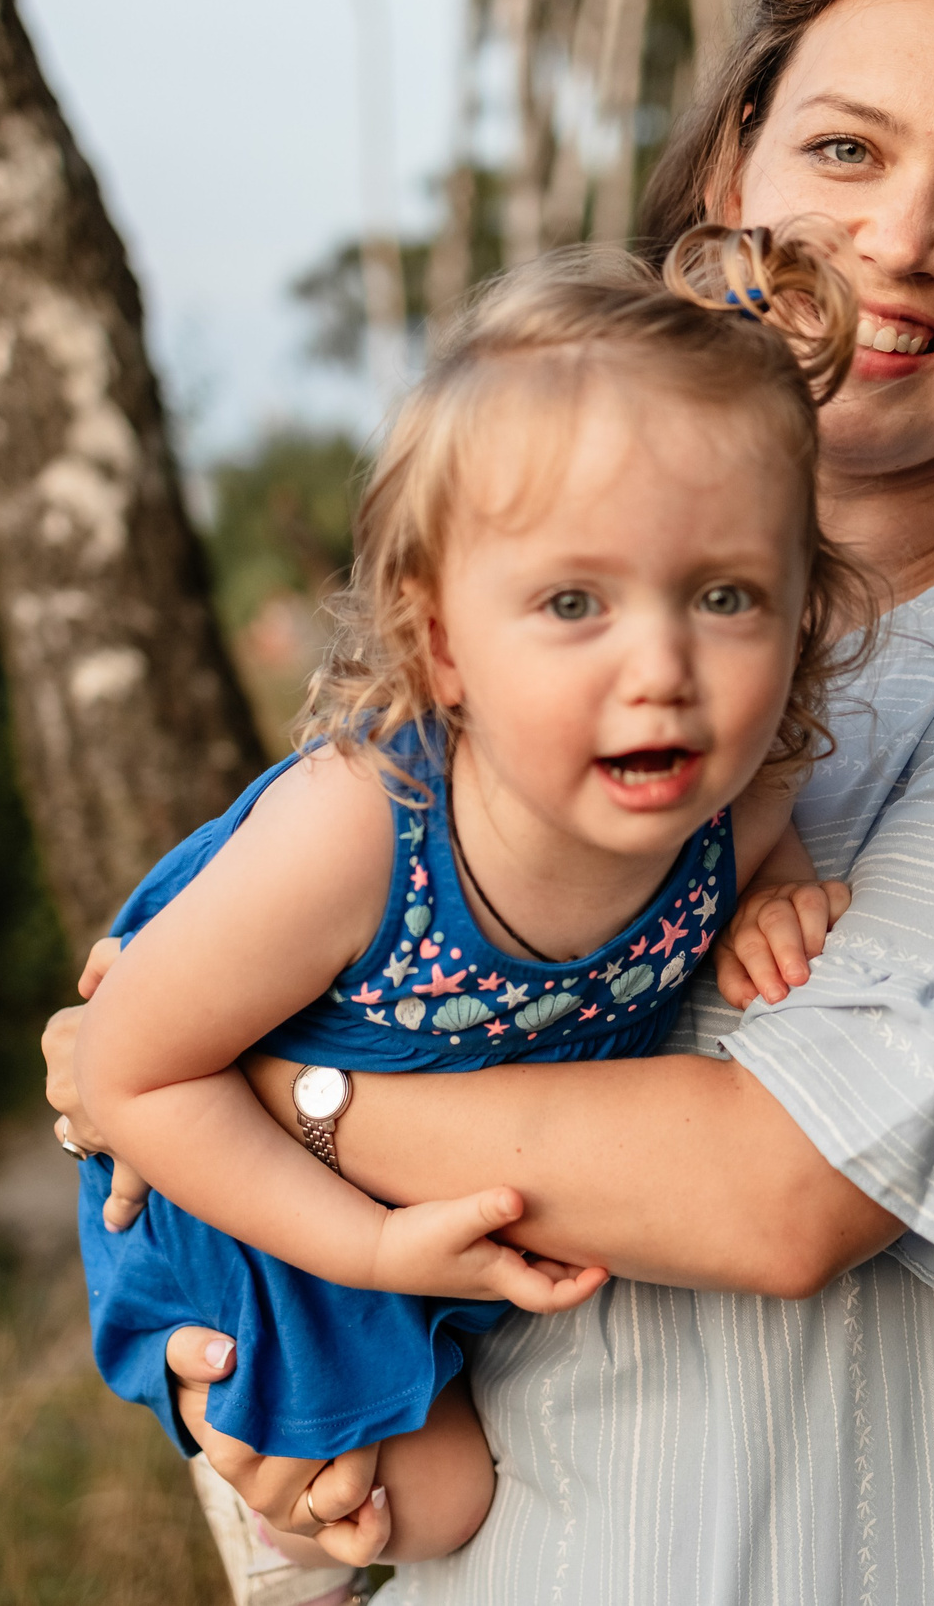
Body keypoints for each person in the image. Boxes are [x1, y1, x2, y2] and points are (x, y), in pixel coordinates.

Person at [47, 0, 934, 1597]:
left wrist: (249, 1089)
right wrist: (276, 1413)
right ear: (730, 181)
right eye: (846, 148)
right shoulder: (493, 663)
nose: (901, 241)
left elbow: (782, 1189)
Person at [69, 225, 875, 1569]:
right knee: (429, 1507)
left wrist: (770, 888)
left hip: (417, 1171)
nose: (661, 666)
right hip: (251, 1185)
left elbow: (758, 833)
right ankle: (266, 1514)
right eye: (574, 602)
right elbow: (128, 1073)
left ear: (802, 619)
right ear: (442, 645)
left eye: (725, 595)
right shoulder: (362, 831)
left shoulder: (749, 795)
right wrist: (371, 1255)